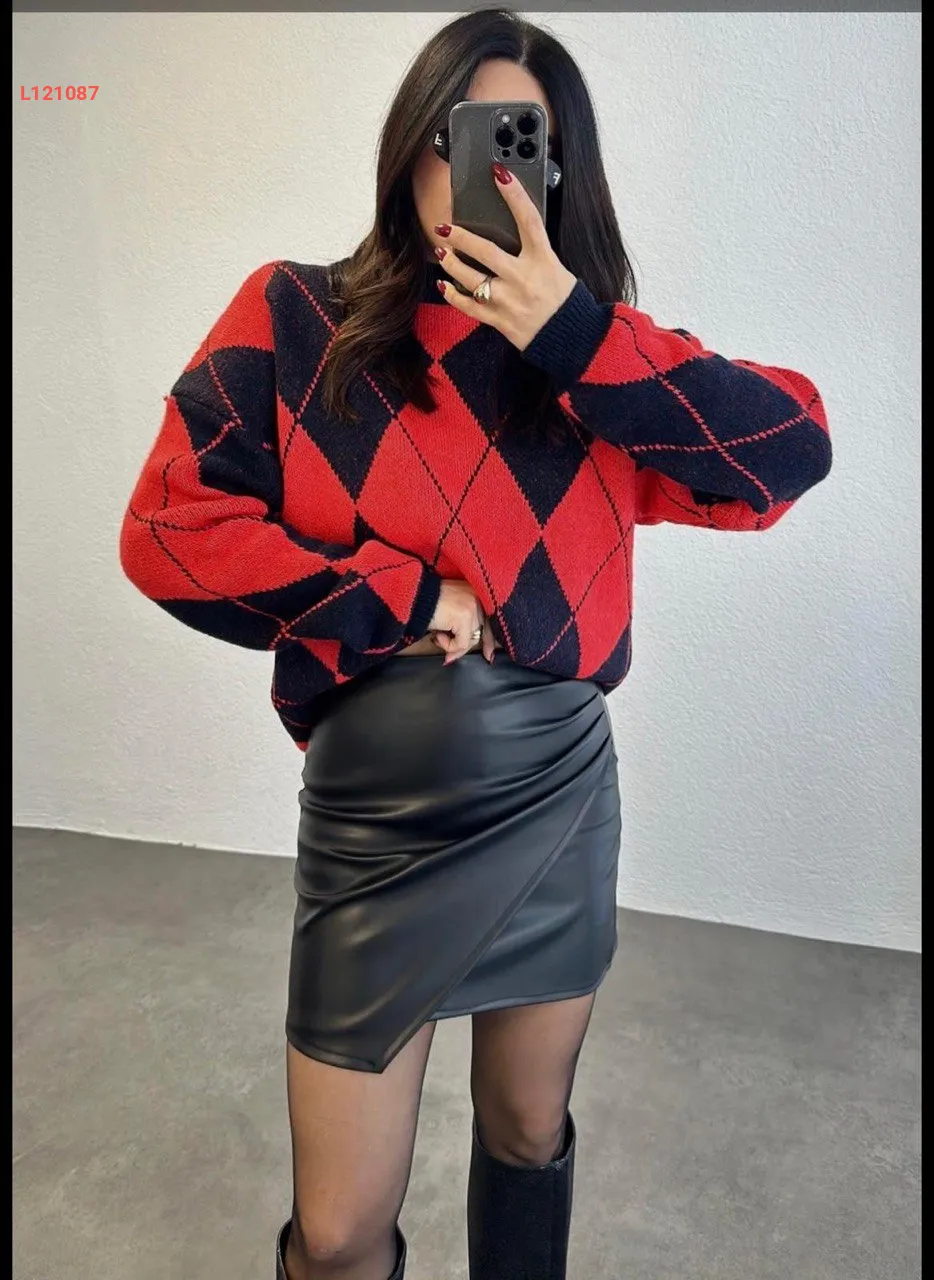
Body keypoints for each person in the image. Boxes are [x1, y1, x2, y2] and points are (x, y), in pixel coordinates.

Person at [119, 9, 832, 1280]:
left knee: (526, 1126)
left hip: (552, 801)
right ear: (411, 145)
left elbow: (790, 448)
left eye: (521, 144)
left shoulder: (596, 364)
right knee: (336, 1230)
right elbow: (168, 526)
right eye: (462, 135)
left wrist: (573, 332)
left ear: (559, 173)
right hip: (375, 820)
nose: (483, 174)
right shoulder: (297, 319)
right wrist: (397, 596)